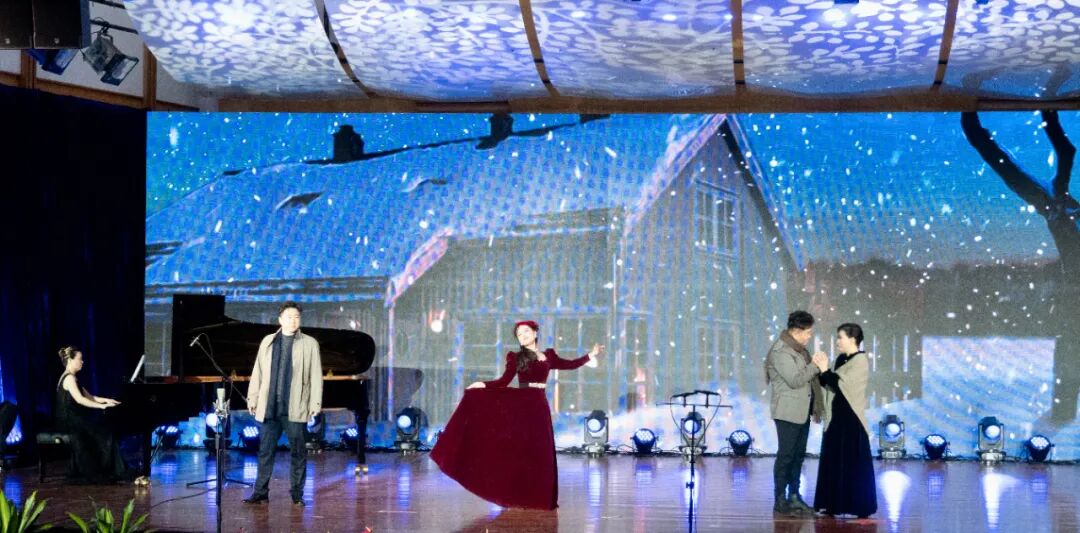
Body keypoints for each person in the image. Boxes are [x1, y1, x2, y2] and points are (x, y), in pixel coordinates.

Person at [430, 320, 604, 510]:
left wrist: (591, 355)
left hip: (539, 406)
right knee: (522, 452)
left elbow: (570, 364)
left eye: (526, 332)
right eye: (519, 334)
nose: (523, 336)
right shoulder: (516, 357)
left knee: (541, 451)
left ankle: (540, 497)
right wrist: (483, 384)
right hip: (522, 406)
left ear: (535, 333)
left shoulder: (548, 356)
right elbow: (503, 381)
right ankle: (518, 495)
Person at [243, 301, 323, 506]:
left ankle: (297, 494)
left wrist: (315, 402)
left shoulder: (309, 343)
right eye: (289, 317)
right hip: (270, 405)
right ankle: (260, 493)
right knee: (265, 451)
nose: (293, 321)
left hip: (295, 406)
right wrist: (253, 397)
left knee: (298, 452)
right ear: (280, 320)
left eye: (297, 317)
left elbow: (316, 375)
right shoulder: (268, 341)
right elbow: (258, 372)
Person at [813, 323, 878, 518]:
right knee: (834, 461)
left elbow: (843, 386)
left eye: (840, 337)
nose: (837, 341)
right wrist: (821, 370)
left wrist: (825, 370)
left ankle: (859, 505)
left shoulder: (860, 361)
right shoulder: (841, 359)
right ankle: (832, 504)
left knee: (853, 464)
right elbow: (829, 382)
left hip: (851, 419)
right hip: (836, 418)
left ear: (852, 339)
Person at [766, 310, 827, 516]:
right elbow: (795, 380)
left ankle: (794, 495)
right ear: (797, 330)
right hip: (787, 411)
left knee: (798, 456)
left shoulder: (799, 350)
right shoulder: (781, 351)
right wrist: (815, 366)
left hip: (802, 410)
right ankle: (780, 499)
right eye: (808, 332)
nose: (810, 336)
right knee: (786, 456)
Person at [54, 346, 142, 485]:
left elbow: (90, 397)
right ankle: (115, 471)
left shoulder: (72, 377)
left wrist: (107, 400)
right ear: (70, 360)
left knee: (105, 431)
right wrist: (101, 406)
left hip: (74, 419)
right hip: (70, 422)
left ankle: (115, 469)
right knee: (105, 434)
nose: (82, 362)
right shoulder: (69, 378)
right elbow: (80, 400)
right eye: (80, 359)